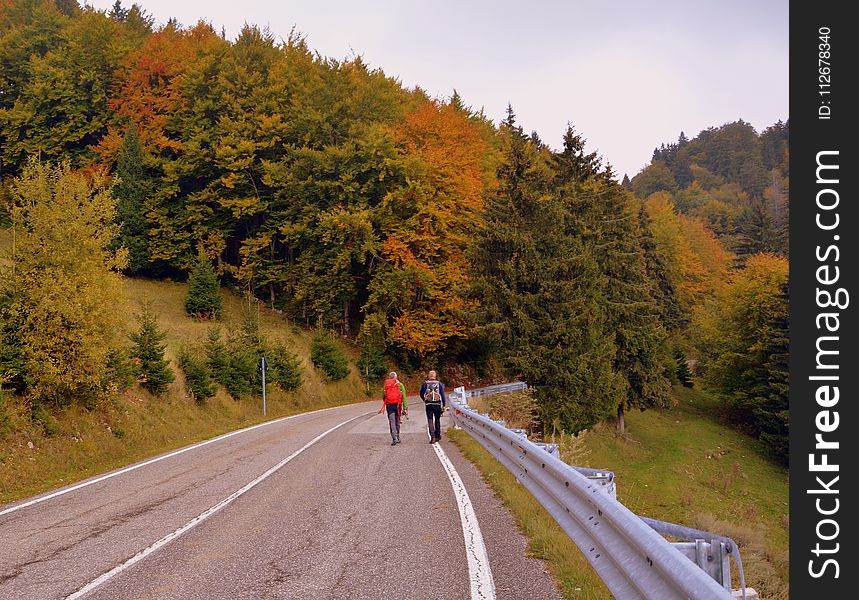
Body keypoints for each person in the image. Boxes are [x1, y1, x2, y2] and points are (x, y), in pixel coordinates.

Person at [379, 371, 408, 445]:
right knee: (397, 421)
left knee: (392, 422)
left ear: (389, 377)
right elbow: (404, 397)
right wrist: (405, 407)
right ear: (396, 377)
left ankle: (394, 438)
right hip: (398, 406)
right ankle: (398, 436)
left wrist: (387, 401)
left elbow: (383, 396)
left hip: (389, 406)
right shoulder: (400, 385)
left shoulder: (386, 385)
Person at [420, 370, 446, 444]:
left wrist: (424, 400)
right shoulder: (439, 384)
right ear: (435, 376)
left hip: (429, 404)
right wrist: (443, 405)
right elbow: (443, 395)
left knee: (430, 420)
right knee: (437, 420)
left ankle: (433, 437)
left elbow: (421, 393)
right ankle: (438, 435)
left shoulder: (425, 384)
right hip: (437, 404)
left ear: (429, 376)